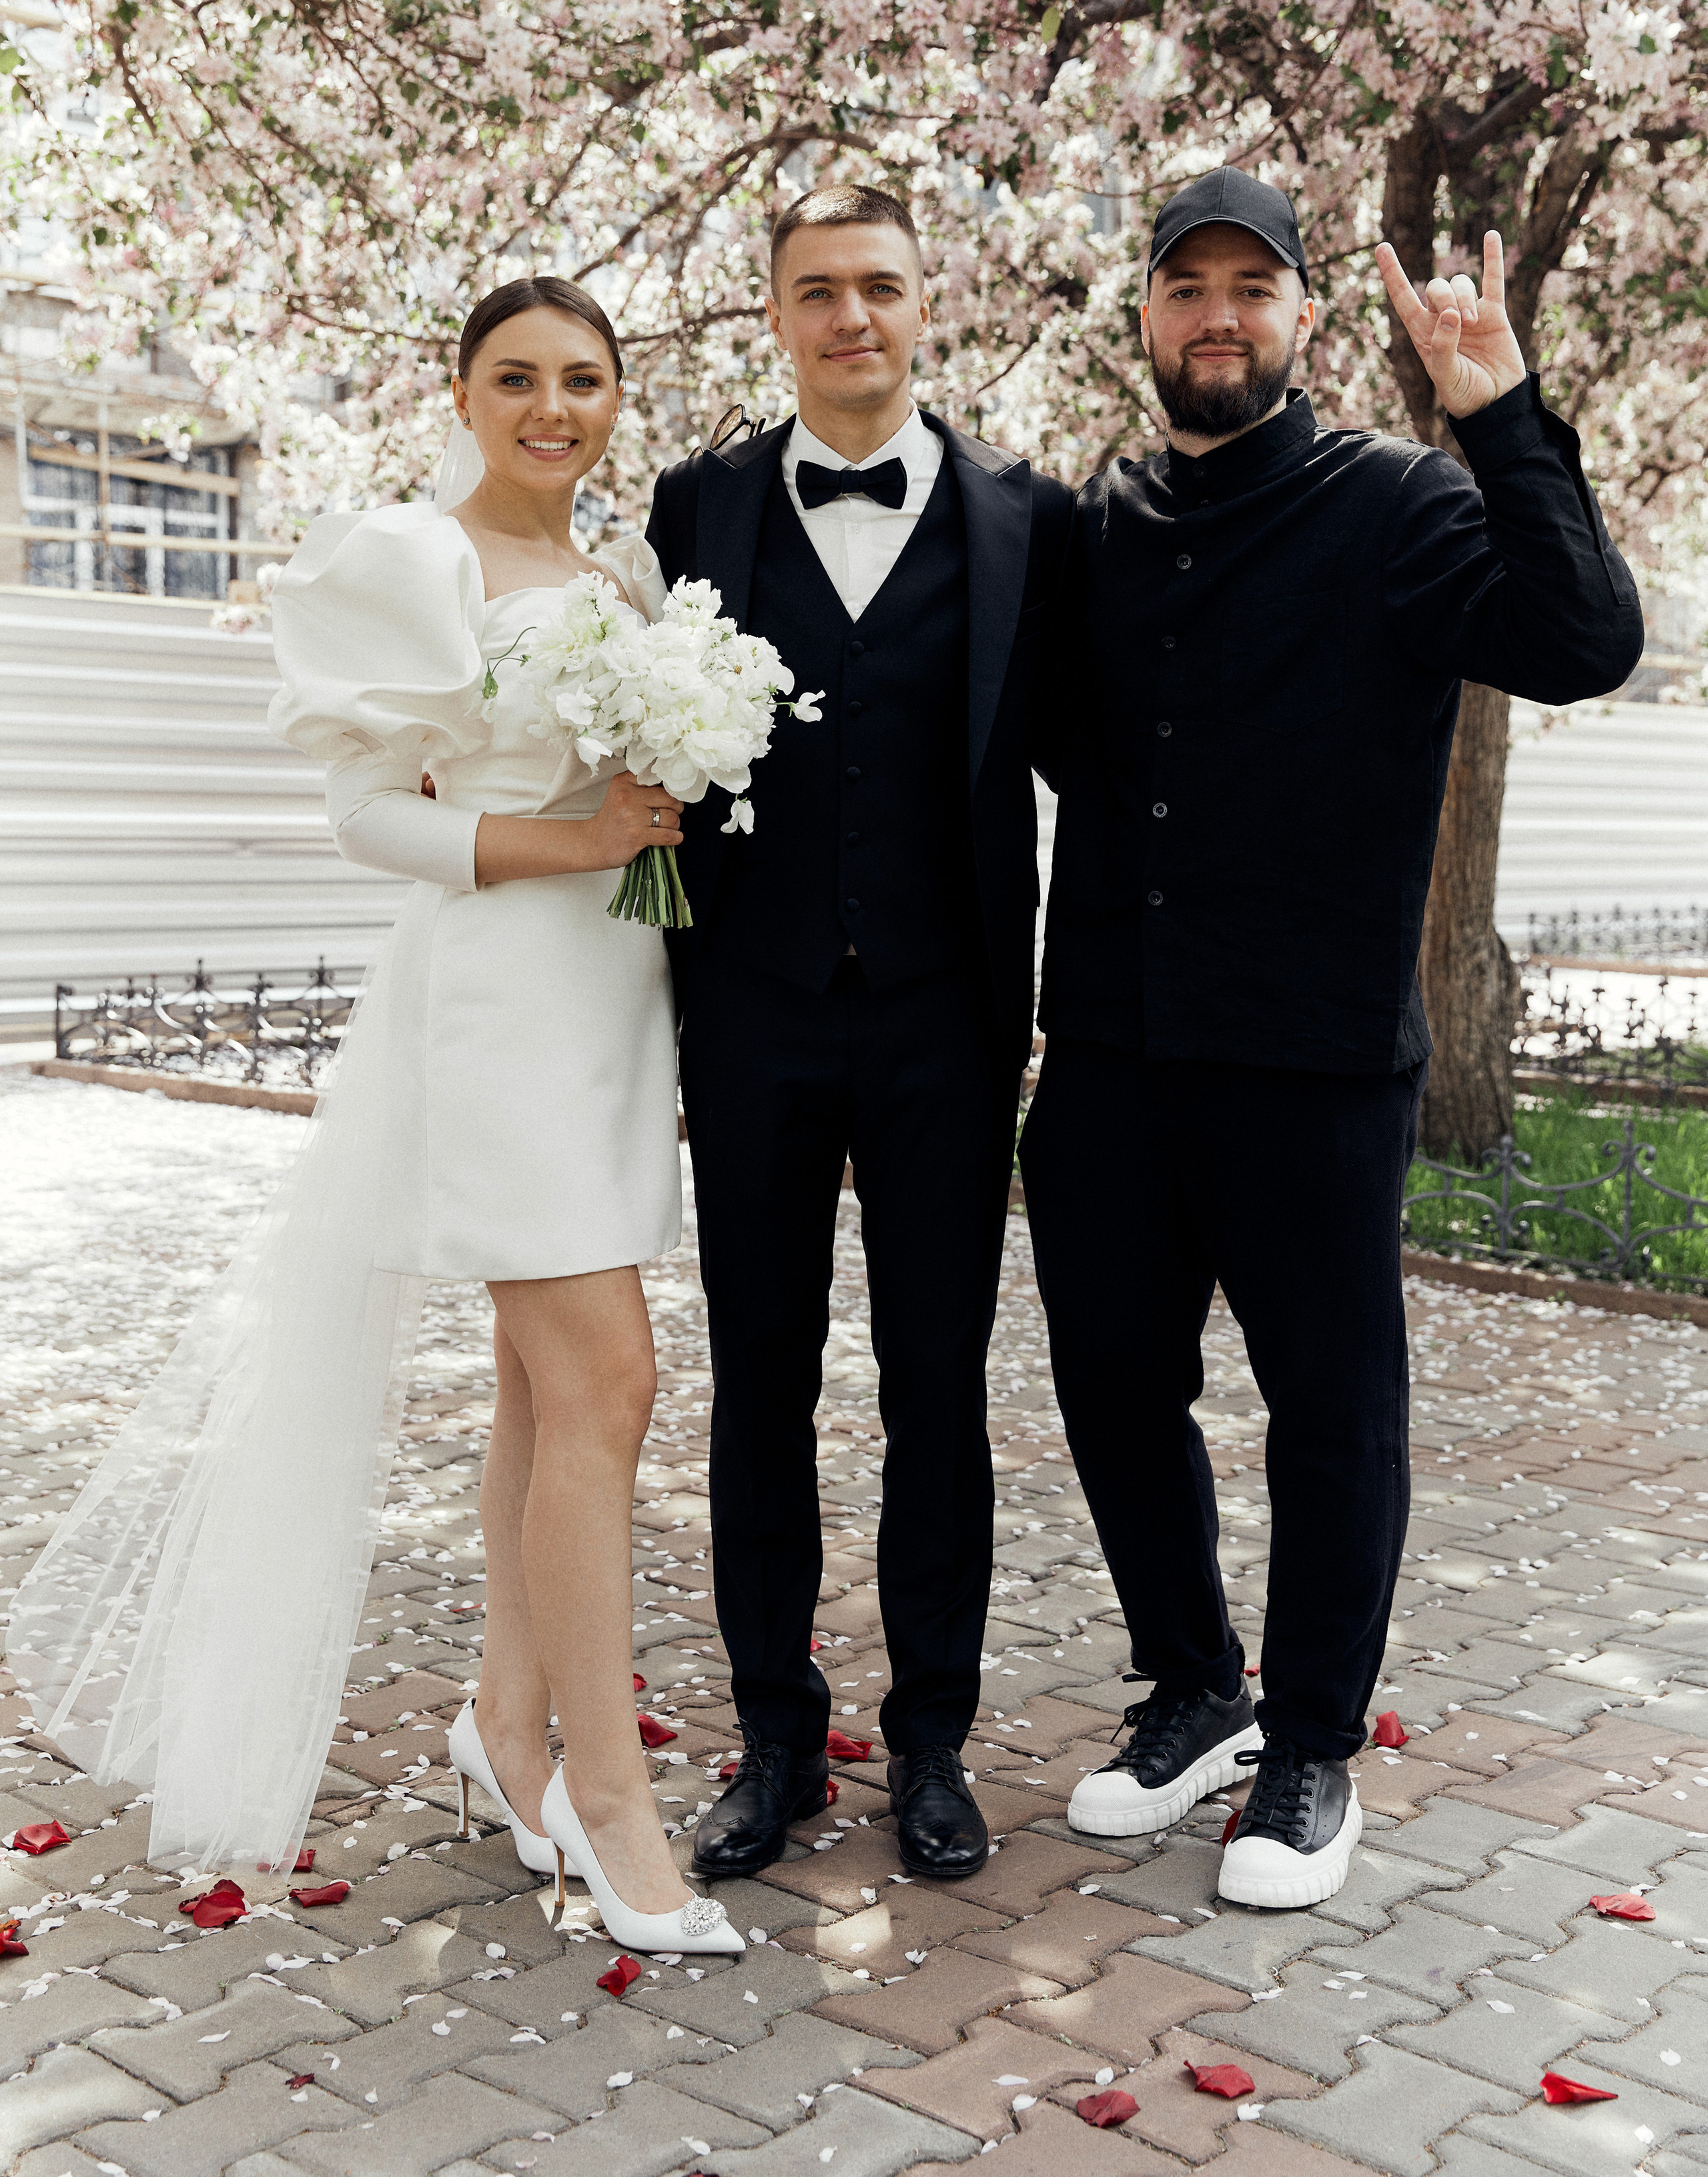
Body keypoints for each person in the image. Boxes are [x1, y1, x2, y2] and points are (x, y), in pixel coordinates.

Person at [7, 278, 742, 1959]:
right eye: (515, 379)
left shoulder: (625, 575)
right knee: (608, 1381)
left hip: (616, 1005)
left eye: (582, 379)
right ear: (464, 394)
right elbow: (360, 814)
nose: (551, 409)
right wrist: (573, 844)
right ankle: (605, 1806)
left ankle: (502, 1724)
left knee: (538, 1387)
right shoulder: (413, 562)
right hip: (495, 997)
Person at [1023, 167, 1643, 1909]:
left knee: (1333, 1415)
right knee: (1112, 1388)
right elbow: (1066, 737)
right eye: (1185, 286)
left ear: (1302, 318)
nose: (1218, 314)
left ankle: (1309, 1753)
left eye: (1254, 286)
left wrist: (1499, 414)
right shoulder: (1103, 518)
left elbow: (1584, 640)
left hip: (1307, 1064)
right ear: (1147, 320)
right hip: (1116, 1060)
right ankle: (1199, 1687)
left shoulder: (1396, 508)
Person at [647, 184, 1073, 1880]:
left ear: (924, 306)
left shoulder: (1022, 521)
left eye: (878, 288)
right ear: (774, 315)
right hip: (746, 1020)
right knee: (756, 1389)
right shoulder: (697, 508)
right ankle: (771, 1741)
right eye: (815, 291)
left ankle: (931, 1745)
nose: (849, 318)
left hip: (946, 1029)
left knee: (935, 1396)